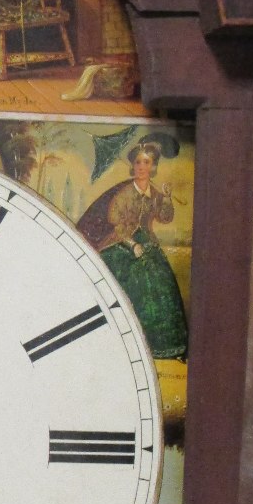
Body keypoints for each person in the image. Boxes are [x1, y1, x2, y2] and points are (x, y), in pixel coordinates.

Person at [76, 138, 188, 360]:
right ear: (133, 166)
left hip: (147, 242)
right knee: (134, 279)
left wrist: (166, 198)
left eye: (146, 163)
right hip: (120, 243)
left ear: (153, 167)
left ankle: (165, 348)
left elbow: (166, 217)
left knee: (162, 280)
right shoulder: (125, 193)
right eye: (138, 163)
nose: (142, 167)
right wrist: (133, 244)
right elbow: (116, 223)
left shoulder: (154, 194)